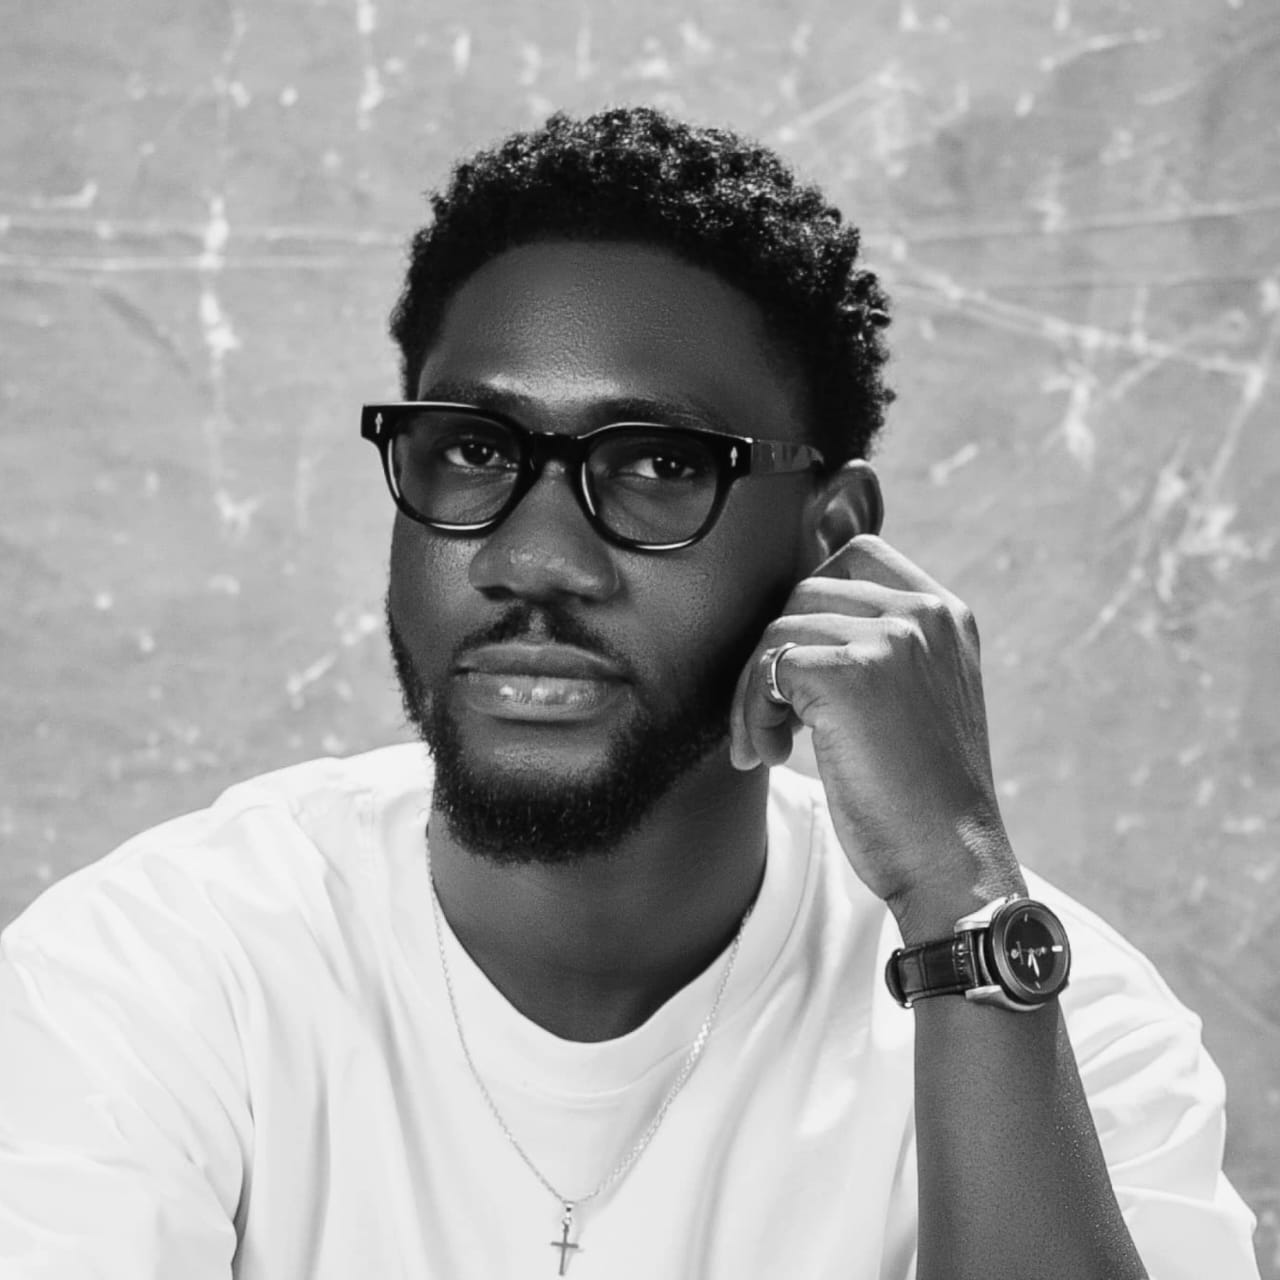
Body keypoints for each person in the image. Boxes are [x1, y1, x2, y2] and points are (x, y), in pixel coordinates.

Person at [0, 107, 1261, 1280]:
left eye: (659, 464)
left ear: (831, 544)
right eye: (473, 449)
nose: (532, 557)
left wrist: (960, 906)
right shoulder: (154, 975)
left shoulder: (1059, 1028)